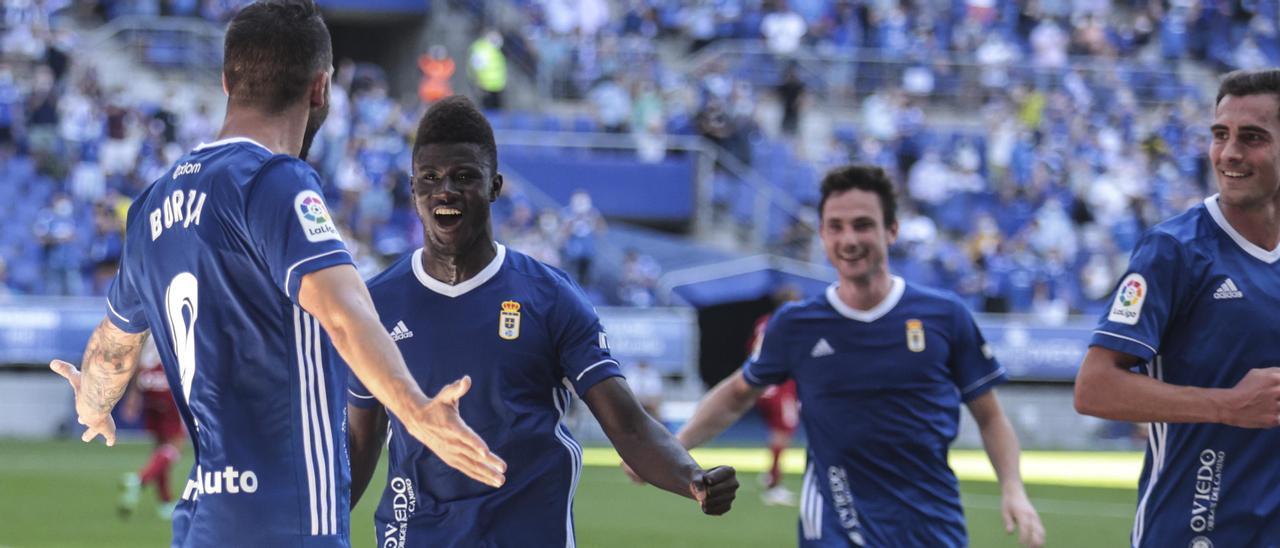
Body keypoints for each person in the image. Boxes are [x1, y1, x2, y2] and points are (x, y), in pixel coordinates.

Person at [48, 2, 505, 546]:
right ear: (320, 88)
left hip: (203, 523)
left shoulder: (151, 206)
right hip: (288, 523)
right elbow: (343, 313)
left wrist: (93, 401)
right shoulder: (274, 181)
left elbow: (113, 347)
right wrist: (415, 410)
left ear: (226, 82)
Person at [346, 96, 739, 547]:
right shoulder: (376, 303)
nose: (445, 191)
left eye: (464, 176)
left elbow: (628, 425)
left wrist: (692, 477)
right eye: (430, 179)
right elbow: (360, 444)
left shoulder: (550, 296)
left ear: (494, 187)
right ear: (413, 189)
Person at [654, 165, 1044, 547]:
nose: (848, 239)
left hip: (931, 526)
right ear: (822, 235)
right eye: (835, 227)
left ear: (891, 230)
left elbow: (990, 416)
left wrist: (1013, 488)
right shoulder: (796, 324)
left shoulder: (945, 315)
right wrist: (671, 448)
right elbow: (738, 393)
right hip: (834, 526)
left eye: (862, 224)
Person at [1074, 68, 1280, 547]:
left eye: (1252, 138)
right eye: (1220, 135)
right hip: (1193, 531)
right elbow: (1093, 388)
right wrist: (1227, 406)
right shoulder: (1174, 250)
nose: (1229, 153)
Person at [117, 336, 185, 520]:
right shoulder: (171, 320)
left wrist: (133, 395)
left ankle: (165, 503)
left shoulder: (146, 328)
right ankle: (140, 479)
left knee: (159, 450)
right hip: (167, 385)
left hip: (148, 385)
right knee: (175, 446)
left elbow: (137, 361)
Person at [750, 287, 802, 507]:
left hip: (763, 384)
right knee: (783, 433)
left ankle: (769, 474)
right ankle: (774, 484)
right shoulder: (791, 323)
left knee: (775, 434)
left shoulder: (764, 321)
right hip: (781, 385)